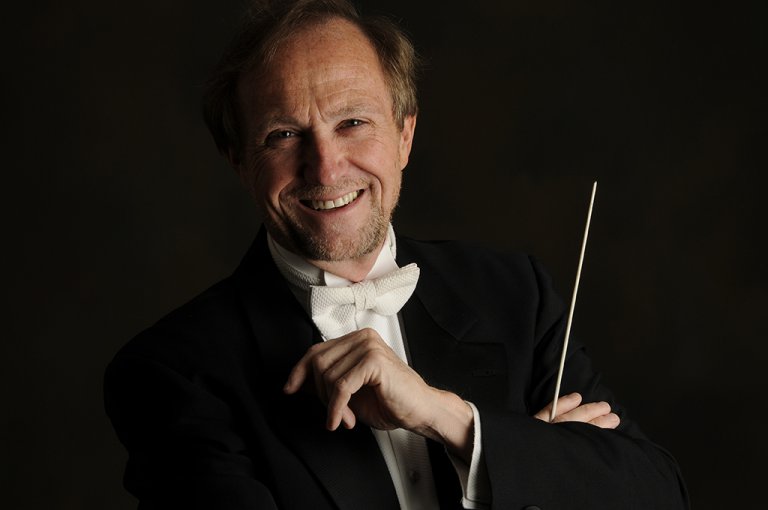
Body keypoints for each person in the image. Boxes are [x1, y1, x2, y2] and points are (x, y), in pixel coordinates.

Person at [104, 1, 689, 508]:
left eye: (353, 122)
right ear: (238, 160)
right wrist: (528, 465)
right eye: (283, 135)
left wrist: (451, 420)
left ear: (405, 135)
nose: (326, 168)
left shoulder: (513, 291)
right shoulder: (172, 372)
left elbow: (657, 495)